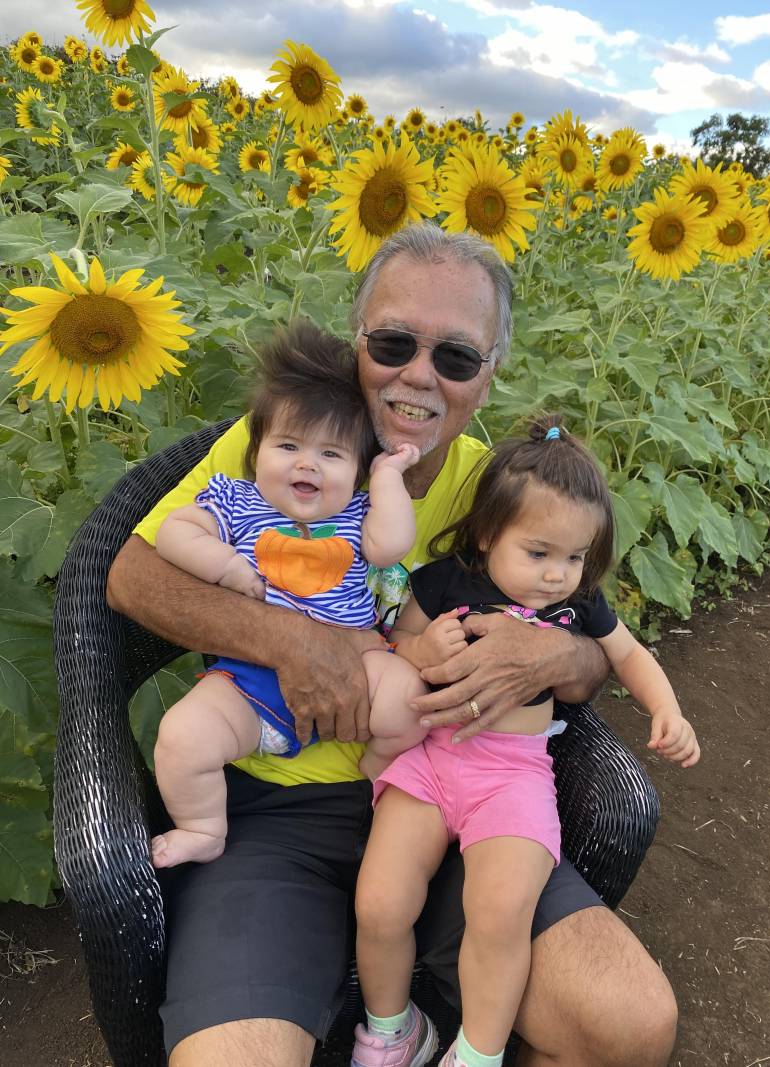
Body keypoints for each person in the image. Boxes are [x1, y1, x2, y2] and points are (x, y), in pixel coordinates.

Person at [107, 222, 679, 1067]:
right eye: (393, 341)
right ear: (356, 344)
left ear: (487, 379)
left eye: (455, 356)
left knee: (630, 1027)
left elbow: (592, 631)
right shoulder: (291, 443)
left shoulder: (501, 488)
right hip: (271, 815)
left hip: (455, 803)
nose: (418, 374)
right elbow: (131, 577)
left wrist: (559, 658)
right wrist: (296, 641)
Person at [352, 416, 699, 1067]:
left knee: (500, 909)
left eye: (574, 557)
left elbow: (627, 655)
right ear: (488, 535)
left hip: (511, 777)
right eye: (539, 553)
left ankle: (477, 1052)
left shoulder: (575, 607)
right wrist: (424, 646)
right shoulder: (447, 580)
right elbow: (398, 642)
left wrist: (667, 709)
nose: (557, 576)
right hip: (428, 761)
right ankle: (392, 1026)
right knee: (380, 899)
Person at [150, 320, 430, 868]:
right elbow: (172, 533)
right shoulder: (236, 504)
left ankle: (374, 769)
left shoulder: (357, 515)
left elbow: (392, 545)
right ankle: (203, 827)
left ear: (356, 472)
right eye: (288, 445)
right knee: (182, 736)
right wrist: (226, 565)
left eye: (332, 455)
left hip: (356, 660)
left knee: (409, 701)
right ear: (256, 455)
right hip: (249, 680)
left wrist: (389, 477)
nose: (307, 463)